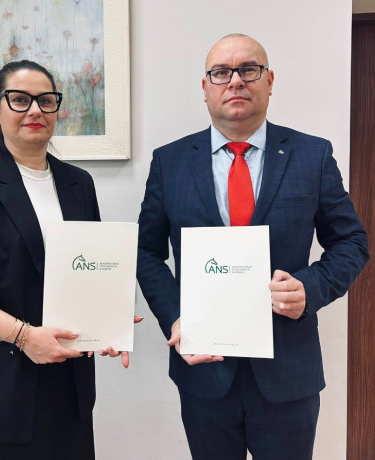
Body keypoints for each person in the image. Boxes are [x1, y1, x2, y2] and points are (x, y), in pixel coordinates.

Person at [137, 34, 370, 459]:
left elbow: (352, 241)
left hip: (288, 370)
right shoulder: (169, 162)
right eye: (221, 73)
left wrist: (310, 289)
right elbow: (145, 251)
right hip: (204, 370)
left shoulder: (312, 155)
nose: (235, 81)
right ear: (205, 87)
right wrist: (174, 316)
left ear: (269, 80)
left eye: (248, 69)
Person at [0, 60, 137, 460]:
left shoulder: (78, 183)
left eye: (46, 100)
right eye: (19, 100)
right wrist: (24, 336)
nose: (35, 110)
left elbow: (89, 266)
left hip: (68, 377)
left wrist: (109, 319)